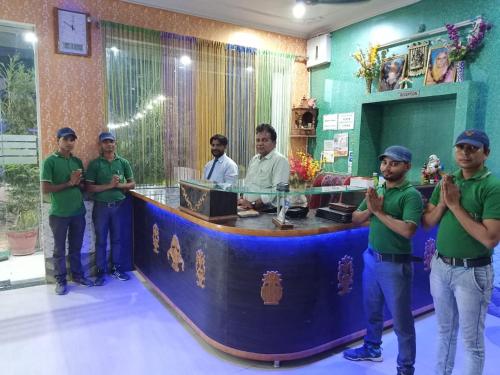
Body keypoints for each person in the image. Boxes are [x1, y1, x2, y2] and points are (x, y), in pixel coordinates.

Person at [422, 129, 500, 375]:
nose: (465, 153)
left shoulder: (493, 186)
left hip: (472, 273)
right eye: (460, 147)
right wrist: (445, 202)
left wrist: (455, 206)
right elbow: (427, 222)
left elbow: (490, 238)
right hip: (441, 267)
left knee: (472, 342)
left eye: (472, 148)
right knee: (444, 333)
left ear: (485, 153)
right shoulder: (448, 181)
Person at [343, 145, 423, 375]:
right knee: (372, 309)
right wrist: (370, 208)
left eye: (394, 163)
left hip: (395, 264)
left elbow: (408, 230)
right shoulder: (378, 188)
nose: (387, 167)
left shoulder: (411, 195)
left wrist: (378, 212)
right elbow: (356, 218)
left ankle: (406, 367)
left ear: (407, 167)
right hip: (371, 258)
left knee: (401, 320)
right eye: (385, 162)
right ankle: (372, 348)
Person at [41, 127, 94, 295]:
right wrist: (69, 183)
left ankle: (78, 276)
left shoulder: (77, 162)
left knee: (76, 247)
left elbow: (83, 186)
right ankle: (61, 280)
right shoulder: (50, 161)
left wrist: (78, 182)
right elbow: (45, 188)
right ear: (58, 141)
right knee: (59, 249)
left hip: (78, 212)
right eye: (66, 139)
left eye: (72, 140)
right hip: (59, 214)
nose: (69, 143)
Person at [86, 132, 135, 286]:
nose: (109, 144)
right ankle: (101, 272)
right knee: (100, 241)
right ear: (100, 145)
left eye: (111, 141)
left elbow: (132, 184)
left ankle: (116, 269)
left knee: (117, 239)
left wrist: (118, 186)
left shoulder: (123, 163)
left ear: (115, 143)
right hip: (101, 208)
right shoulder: (95, 164)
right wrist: (109, 186)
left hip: (119, 208)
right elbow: (89, 187)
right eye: (105, 142)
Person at [238, 123, 289, 210]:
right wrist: (241, 199)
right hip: (247, 208)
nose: (260, 143)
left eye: (265, 140)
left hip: (265, 212)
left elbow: (277, 190)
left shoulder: (280, 160)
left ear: (274, 143)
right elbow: (248, 184)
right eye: (258, 140)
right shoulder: (254, 159)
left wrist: (253, 204)